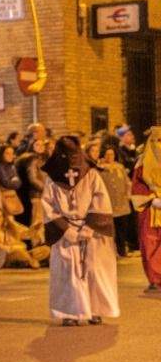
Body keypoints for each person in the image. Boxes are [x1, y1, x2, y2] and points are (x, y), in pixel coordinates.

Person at [42, 136, 119, 326]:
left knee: (94, 270)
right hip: (65, 232)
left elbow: (100, 200)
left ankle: (95, 309)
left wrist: (90, 227)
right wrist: (65, 229)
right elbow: (48, 205)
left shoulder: (91, 174)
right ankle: (70, 312)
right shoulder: (52, 179)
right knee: (67, 272)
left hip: (91, 231)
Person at [132, 128, 161, 293]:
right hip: (150, 208)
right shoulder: (142, 163)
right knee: (150, 242)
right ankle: (154, 279)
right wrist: (152, 199)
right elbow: (136, 186)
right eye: (156, 141)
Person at [97, 146, 135, 258]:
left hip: (121, 202)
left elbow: (127, 182)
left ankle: (122, 250)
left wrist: (128, 194)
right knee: (111, 229)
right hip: (109, 203)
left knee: (122, 228)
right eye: (107, 154)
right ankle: (112, 251)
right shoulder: (100, 168)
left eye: (112, 154)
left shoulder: (120, 167)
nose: (110, 157)